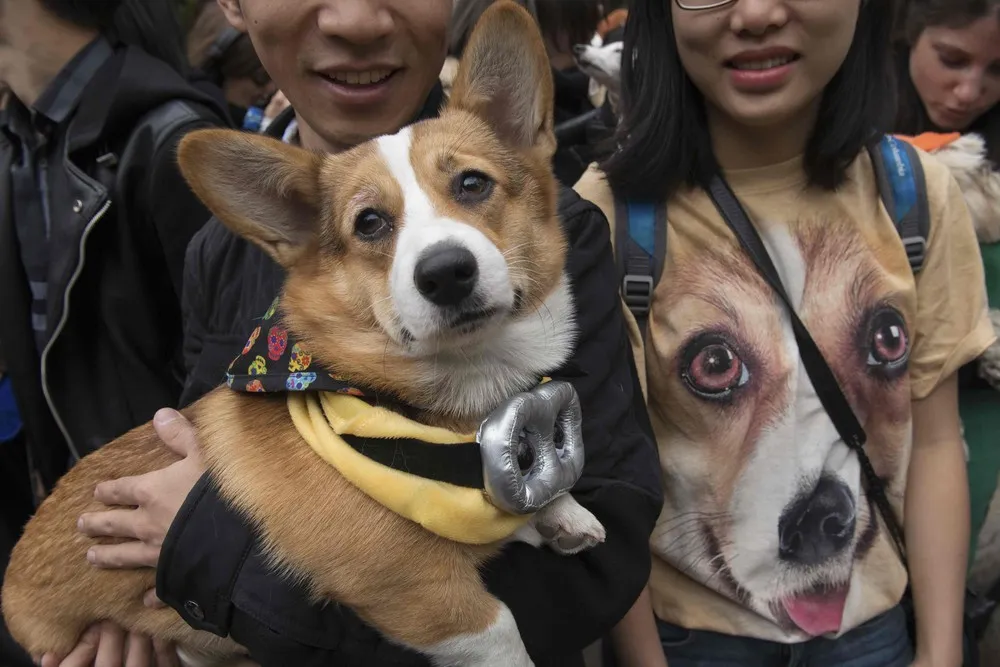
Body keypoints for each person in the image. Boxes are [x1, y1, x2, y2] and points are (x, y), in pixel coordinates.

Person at [53, 1, 663, 666]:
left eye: (470, 185)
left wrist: (222, 573)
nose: (354, 19)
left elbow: (600, 557)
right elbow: (197, 452)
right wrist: (162, 607)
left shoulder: (555, 231)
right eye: (371, 223)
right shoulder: (219, 253)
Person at [574, 0, 996, 666]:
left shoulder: (917, 194)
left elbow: (938, 439)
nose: (759, 13)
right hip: (691, 641)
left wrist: (941, 650)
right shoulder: (608, 216)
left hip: (875, 634)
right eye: (715, 365)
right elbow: (608, 474)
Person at [0, 0, 229, 664]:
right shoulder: (23, 140)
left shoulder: (173, 140)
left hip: (174, 584)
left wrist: (152, 579)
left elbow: (245, 396)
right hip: (87, 557)